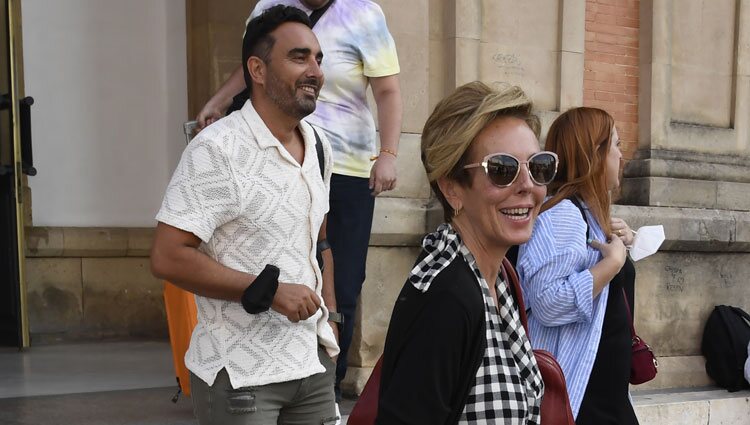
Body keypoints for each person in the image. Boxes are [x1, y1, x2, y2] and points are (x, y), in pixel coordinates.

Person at [197, 0, 402, 399]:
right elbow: (253, 66)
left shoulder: (363, 13)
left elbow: (389, 89)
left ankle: (327, 376)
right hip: (275, 156)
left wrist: (389, 155)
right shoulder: (270, 8)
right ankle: (267, 374)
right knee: (273, 264)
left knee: (341, 278)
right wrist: (220, 100)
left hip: (345, 167)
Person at [150, 6, 339, 424]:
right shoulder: (216, 150)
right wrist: (268, 291)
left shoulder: (321, 145)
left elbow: (320, 242)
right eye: (299, 57)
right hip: (239, 374)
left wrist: (333, 319)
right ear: (257, 68)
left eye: (318, 58)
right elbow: (167, 256)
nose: (315, 71)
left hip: (311, 363)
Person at [376, 82, 557, 424]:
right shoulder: (447, 298)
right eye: (503, 170)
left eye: (538, 167)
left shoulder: (496, 278)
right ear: (452, 188)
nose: (528, 186)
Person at [517, 107, 639, 424]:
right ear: (593, 155)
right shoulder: (563, 215)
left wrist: (619, 246)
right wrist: (610, 265)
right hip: (581, 397)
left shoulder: (583, 215)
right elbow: (548, 301)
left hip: (599, 395)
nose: (621, 155)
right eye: (616, 144)